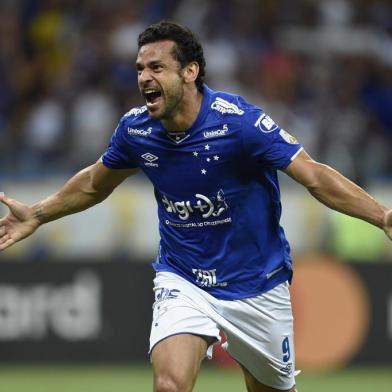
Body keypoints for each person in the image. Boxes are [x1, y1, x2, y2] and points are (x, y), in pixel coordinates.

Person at [0, 21, 391, 392]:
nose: (144, 78)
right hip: (184, 278)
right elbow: (93, 184)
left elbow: (314, 176)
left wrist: (383, 216)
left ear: (190, 71)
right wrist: (38, 213)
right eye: (140, 68)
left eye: (156, 67)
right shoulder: (136, 131)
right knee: (169, 384)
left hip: (257, 284)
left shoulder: (240, 125)